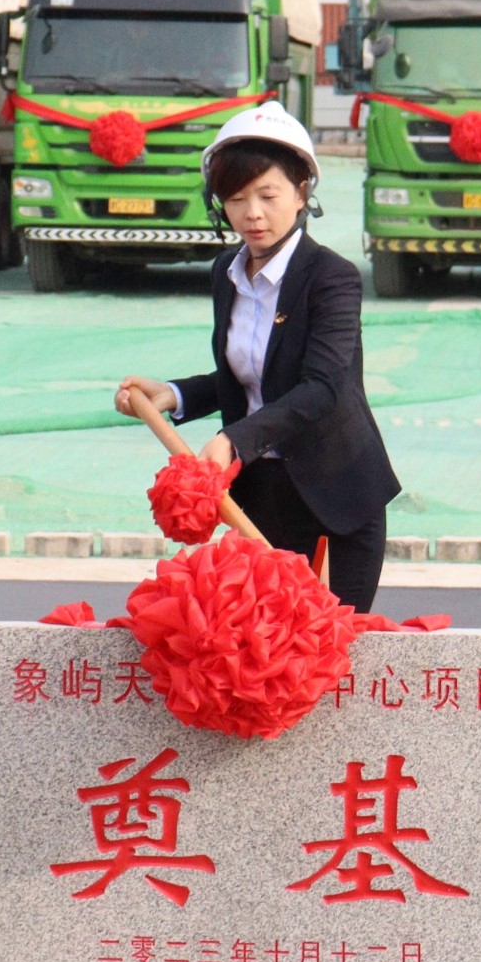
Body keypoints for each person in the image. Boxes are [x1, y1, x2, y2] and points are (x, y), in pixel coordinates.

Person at [115, 104, 400, 612]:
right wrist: (175, 395)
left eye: (268, 196)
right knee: (262, 638)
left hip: (337, 494)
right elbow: (251, 375)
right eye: (236, 198)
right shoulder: (226, 272)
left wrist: (233, 440)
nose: (252, 214)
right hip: (260, 496)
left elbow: (322, 387)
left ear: (301, 193)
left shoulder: (331, 277)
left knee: (336, 642)